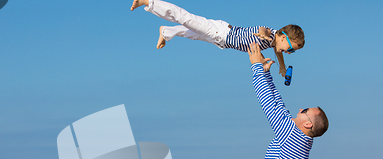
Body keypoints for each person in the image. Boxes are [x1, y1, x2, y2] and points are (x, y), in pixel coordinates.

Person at [130, 0, 304, 77]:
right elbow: (264, 31)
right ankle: (149, 2)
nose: (288, 52)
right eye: (290, 48)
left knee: (192, 34)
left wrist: (282, 66)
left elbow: (277, 50)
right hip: (221, 32)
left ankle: (166, 32)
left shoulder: (276, 41)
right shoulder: (271, 35)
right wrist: (262, 34)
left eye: (292, 52)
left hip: (221, 41)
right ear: (283, 36)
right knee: (185, 18)